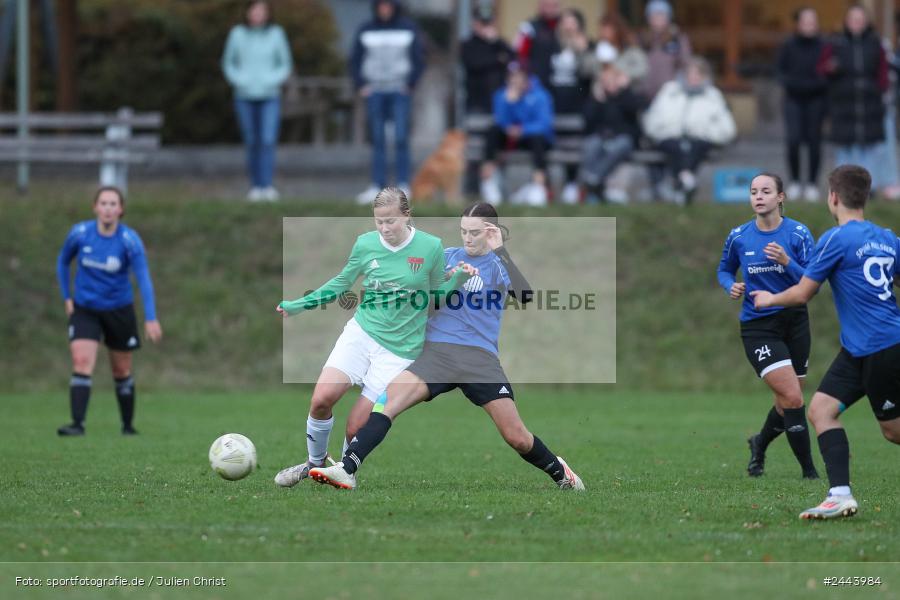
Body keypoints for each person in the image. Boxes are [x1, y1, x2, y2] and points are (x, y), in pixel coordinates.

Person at [308, 203, 584, 491]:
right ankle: (347, 469)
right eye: (463, 231)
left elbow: (525, 295)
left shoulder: (499, 265)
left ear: (491, 232)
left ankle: (560, 472)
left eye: (475, 232)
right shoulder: (448, 257)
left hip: (479, 359)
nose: (467, 238)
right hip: (436, 354)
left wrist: (500, 251)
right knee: (388, 403)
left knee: (517, 437)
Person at [274, 187, 476, 487]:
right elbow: (341, 283)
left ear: (407, 216)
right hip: (361, 334)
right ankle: (314, 464)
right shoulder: (365, 244)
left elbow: (434, 300)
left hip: (400, 350)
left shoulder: (430, 247)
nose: (384, 228)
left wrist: (457, 279)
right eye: (379, 221)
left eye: (391, 221)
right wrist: (299, 305)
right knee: (321, 399)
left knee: (357, 426)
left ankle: (344, 471)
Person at [752, 165, 900, 520]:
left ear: (833, 197)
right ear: (864, 196)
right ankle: (839, 495)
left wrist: (767, 300)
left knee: (893, 432)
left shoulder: (836, 238)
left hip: (880, 347)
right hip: (859, 348)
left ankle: (839, 493)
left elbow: (804, 292)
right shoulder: (887, 238)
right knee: (821, 410)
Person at [716, 173, 819, 480]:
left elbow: (812, 281)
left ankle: (759, 444)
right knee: (794, 398)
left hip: (795, 320)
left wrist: (787, 261)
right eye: (753, 192)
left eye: (765, 191)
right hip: (758, 326)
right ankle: (810, 474)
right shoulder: (739, 236)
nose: (758, 196)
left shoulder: (798, 234)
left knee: (787, 399)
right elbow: (724, 269)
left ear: (780, 197)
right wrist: (729, 286)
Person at [56, 187, 162, 436]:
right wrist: (66, 297)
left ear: (120, 209)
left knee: (121, 370)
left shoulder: (129, 240)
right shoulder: (80, 234)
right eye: (103, 203)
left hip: (119, 309)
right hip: (85, 309)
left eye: (113, 203)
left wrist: (151, 317)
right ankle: (77, 425)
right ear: (95, 207)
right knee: (81, 362)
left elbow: (143, 278)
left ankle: (127, 426)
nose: (108, 208)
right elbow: (62, 261)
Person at [350, 0, 426, 205]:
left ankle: (403, 184)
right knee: (377, 139)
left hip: (399, 90)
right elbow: (355, 59)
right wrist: (361, 84)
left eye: (388, 5)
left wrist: (411, 83)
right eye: (381, 5)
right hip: (374, 91)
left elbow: (419, 57)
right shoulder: (365, 29)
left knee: (401, 138)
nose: (385, 9)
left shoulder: (408, 28)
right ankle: (377, 185)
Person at [222, 0, 293, 202]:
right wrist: (239, 80)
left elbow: (285, 63)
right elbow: (228, 63)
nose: (257, 14)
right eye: (254, 10)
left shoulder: (276, 33)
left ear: (268, 13)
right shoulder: (237, 34)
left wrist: (272, 80)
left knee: (268, 141)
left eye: (262, 10)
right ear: (246, 12)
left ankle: (267, 186)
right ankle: (255, 186)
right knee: (252, 141)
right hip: (244, 96)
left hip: (270, 95)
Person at [642, 57, 736, 204]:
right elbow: (653, 119)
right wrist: (665, 131)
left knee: (693, 147)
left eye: (698, 74)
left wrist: (704, 132)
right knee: (677, 147)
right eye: (690, 74)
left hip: (701, 140)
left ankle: (681, 183)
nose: (693, 78)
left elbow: (727, 128)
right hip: (669, 138)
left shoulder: (713, 96)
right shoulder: (669, 91)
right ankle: (687, 180)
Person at [818, 6, 888, 190]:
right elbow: (822, 70)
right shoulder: (836, 44)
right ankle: (843, 187)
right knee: (845, 148)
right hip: (843, 103)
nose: (856, 23)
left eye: (860, 19)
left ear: (866, 22)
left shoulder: (875, 44)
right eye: (853, 19)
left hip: (869, 103)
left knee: (869, 147)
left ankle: (867, 188)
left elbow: (882, 73)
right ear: (846, 22)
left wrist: (879, 90)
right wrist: (831, 69)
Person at [480, 63, 554, 206]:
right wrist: (509, 103)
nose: (515, 82)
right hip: (510, 138)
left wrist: (523, 130)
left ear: (527, 80)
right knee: (493, 131)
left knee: (538, 139)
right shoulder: (501, 95)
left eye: (519, 78)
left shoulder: (540, 96)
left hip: (531, 138)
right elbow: (501, 121)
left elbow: (544, 124)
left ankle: (539, 186)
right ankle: (489, 182)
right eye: (512, 78)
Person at [461, 3, 514, 196]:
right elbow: (475, 63)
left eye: (488, 22)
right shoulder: (468, 45)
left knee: (496, 148)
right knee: (474, 150)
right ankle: (472, 189)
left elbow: (512, 57)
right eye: (481, 23)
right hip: (476, 105)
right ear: (474, 23)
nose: (485, 27)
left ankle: (497, 188)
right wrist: (496, 58)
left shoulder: (499, 43)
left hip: (498, 107)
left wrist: (496, 42)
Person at [776, 7, 827, 202]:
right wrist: (792, 84)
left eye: (812, 21)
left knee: (814, 142)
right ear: (798, 24)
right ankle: (796, 181)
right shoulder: (788, 45)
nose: (809, 25)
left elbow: (828, 72)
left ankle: (813, 184)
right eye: (805, 21)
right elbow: (780, 71)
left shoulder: (824, 46)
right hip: (793, 99)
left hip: (816, 99)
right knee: (793, 140)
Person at [547, 8, 594, 204]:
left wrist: (583, 52)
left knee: (575, 145)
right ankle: (553, 186)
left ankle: (573, 184)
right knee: (557, 145)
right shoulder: (551, 44)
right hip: (555, 102)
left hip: (577, 104)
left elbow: (589, 75)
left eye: (572, 22)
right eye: (564, 22)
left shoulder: (588, 45)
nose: (568, 26)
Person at [637, 0, 691, 102]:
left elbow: (685, 63)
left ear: (668, 17)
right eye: (654, 15)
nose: (658, 18)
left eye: (661, 15)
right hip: (645, 94)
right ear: (648, 18)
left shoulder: (677, 38)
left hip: (670, 94)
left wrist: (678, 85)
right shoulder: (642, 38)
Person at [514, 0, 562, 90]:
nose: (550, 9)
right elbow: (520, 55)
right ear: (539, 5)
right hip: (536, 82)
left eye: (554, 5)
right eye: (547, 5)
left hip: (560, 83)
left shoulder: (565, 25)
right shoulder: (528, 27)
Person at [593, 12, 649, 88]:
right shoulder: (601, 48)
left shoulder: (631, 49)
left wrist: (622, 73)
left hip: (628, 92)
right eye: (602, 29)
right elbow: (595, 71)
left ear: (617, 30)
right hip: (606, 93)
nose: (603, 33)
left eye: (607, 29)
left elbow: (643, 70)